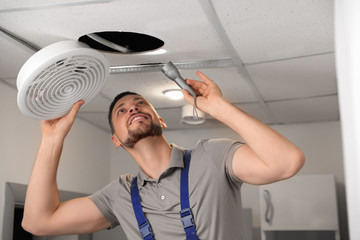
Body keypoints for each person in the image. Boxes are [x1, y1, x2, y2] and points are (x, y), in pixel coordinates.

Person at [22, 71, 305, 239]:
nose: (132, 108)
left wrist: (218, 108)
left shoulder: (213, 156)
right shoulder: (119, 196)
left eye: (140, 103)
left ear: (161, 120)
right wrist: (52, 138)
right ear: (116, 140)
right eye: (121, 110)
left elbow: (287, 162)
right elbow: (37, 222)